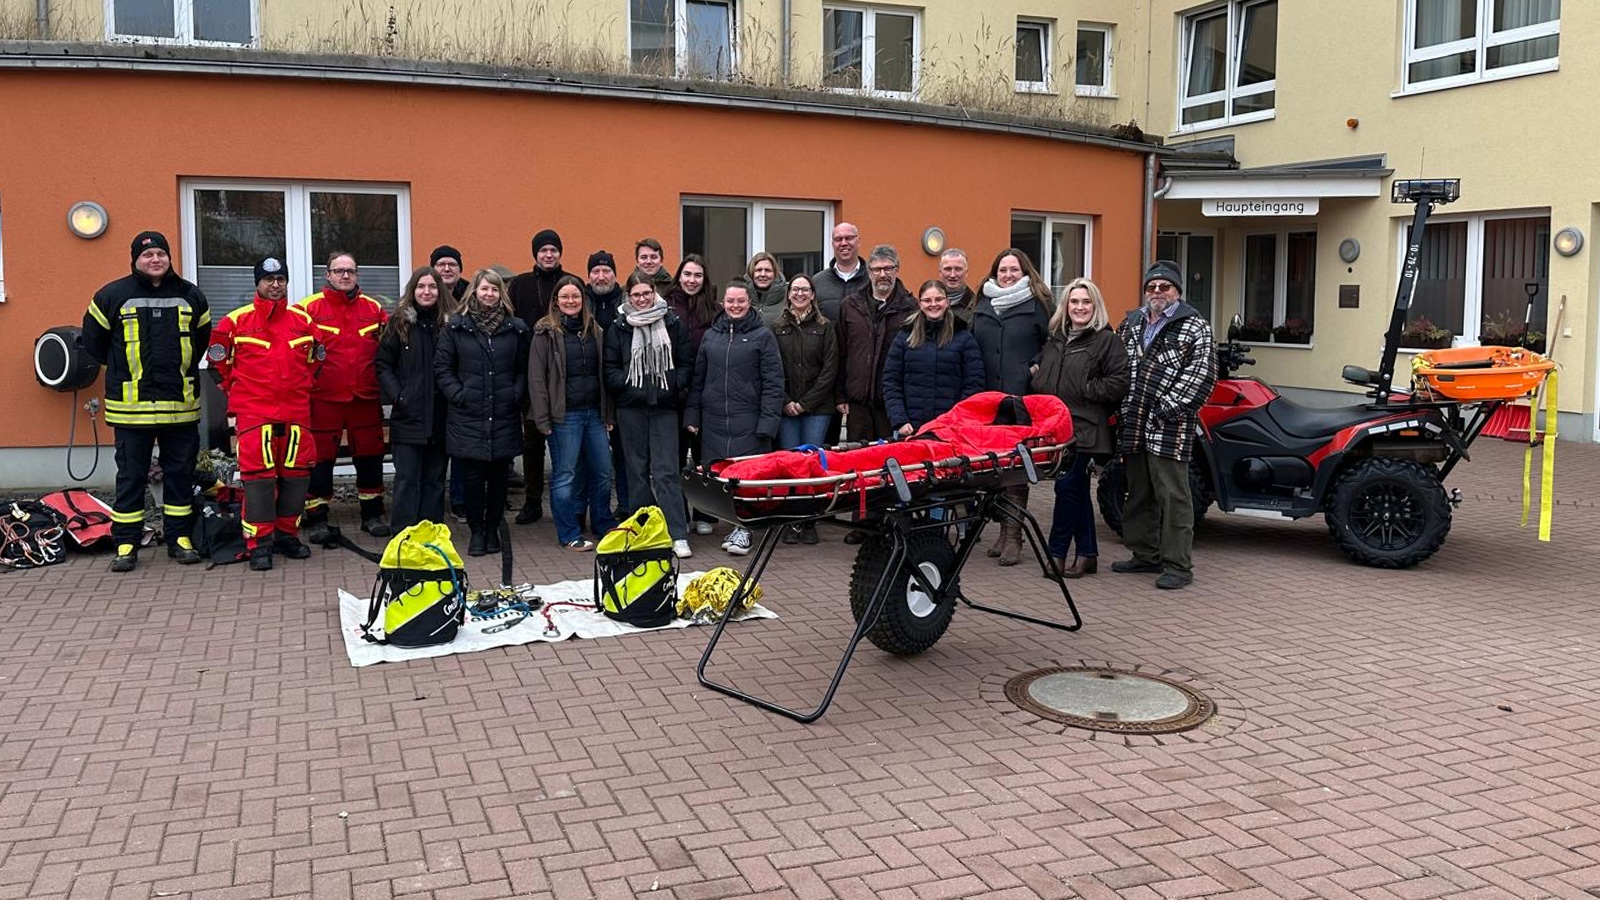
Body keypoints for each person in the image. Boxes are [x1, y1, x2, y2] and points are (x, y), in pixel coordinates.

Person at [82, 231, 210, 572]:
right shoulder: (112, 295)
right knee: (131, 477)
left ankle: (180, 538)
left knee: (179, 475)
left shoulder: (191, 295)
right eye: (147, 255)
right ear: (135, 260)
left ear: (169, 258)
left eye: (160, 254)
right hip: (130, 409)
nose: (155, 260)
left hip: (180, 407)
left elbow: (200, 342)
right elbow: (94, 344)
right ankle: (126, 542)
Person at [208, 257, 319, 570]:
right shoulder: (235, 322)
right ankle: (259, 544)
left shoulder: (303, 321)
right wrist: (240, 392)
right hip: (255, 414)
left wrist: (303, 386)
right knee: (259, 480)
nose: (275, 285)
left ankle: (287, 535)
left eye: (280, 279)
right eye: (269, 279)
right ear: (257, 283)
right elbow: (218, 366)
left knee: (297, 477)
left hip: (296, 412)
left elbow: (316, 360)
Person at [1112, 261, 1217, 590]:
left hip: (1168, 425)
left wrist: (1166, 409)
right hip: (1133, 421)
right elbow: (1116, 364)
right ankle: (1145, 554)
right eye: (1151, 286)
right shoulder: (1130, 323)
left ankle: (1178, 566)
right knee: (1138, 492)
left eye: (1164, 287)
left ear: (1178, 292)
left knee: (1174, 496)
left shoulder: (1195, 325)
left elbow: (1202, 376)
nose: (1157, 292)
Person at [1030, 278, 1128, 579]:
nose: (1080, 307)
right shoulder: (1057, 339)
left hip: (1085, 428)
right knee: (1077, 491)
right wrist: (1036, 377)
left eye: (1086, 302)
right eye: (1074, 302)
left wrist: (1086, 389)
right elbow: (1045, 373)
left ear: (1095, 306)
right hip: (1057, 428)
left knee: (1066, 487)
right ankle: (1087, 553)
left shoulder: (1105, 341)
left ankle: (1056, 552)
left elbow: (1120, 381)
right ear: (1066, 306)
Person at [685, 278, 786, 556]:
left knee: (746, 480)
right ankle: (734, 525)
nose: (735, 305)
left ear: (749, 302)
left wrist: (768, 422)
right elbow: (698, 379)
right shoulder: (711, 335)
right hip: (714, 420)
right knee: (720, 479)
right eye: (730, 301)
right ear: (723, 303)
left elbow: (774, 382)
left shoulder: (762, 335)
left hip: (749, 421)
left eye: (740, 301)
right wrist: (693, 415)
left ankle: (745, 530)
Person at [436, 269, 529, 557]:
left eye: (494, 290)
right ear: (474, 291)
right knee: (474, 478)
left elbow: (523, 370)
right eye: (484, 289)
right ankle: (477, 532)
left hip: (503, 412)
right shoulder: (457, 327)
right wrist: (458, 394)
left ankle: (493, 530)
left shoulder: (516, 328)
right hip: (469, 414)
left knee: (500, 479)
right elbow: (443, 368)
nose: (489, 294)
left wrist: (515, 394)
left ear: (501, 294)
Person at [298, 250, 390, 541]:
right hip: (324, 398)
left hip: (365, 397)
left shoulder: (374, 309)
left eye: (350, 270)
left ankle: (372, 515)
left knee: (371, 457)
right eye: (339, 271)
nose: (345, 275)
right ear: (328, 275)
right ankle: (317, 518)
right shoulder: (307, 309)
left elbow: (390, 349)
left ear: (357, 274)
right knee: (321, 460)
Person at [973, 247, 1054, 566]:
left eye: (1014, 270)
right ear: (995, 273)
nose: (1008, 275)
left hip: (1021, 398)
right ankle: (1002, 532)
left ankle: (1014, 536)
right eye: (1002, 270)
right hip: (988, 399)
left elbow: (1052, 343)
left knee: (1017, 466)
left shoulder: (1038, 304)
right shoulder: (983, 302)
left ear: (1025, 273)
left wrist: (1032, 368)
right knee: (995, 467)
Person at [605, 272, 694, 559]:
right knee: (637, 473)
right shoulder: (618, 327)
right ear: (628, 296)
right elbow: (609, 368)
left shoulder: (672, 322)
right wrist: (629, 384)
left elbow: (685, 363)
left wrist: (673, 386)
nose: (642, 299)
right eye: (636, 295)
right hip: (631, 408)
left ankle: (677, 533)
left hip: (664, 408)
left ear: (655, 292)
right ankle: (645, 533)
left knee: (667, 471)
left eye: (646, 293)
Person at [529, 275, 618, 551]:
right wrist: (542, 419)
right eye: (565, 297)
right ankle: (569, 533)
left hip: (594, 414)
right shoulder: (545, 333)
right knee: (565, 476)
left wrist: (608, 414)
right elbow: (536, 378)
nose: (571, 301)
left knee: (603, 472)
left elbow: (604, 374)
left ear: (584, 299)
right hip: (563, 416)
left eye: (576, 296)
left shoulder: (596, 331)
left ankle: (603, 524)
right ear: (556, 300)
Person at [377, 266, 450, 533]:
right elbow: (383, 364)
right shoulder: (399, 323)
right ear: (413, 291)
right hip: (408, 416)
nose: (427, 292)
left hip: (441, 416)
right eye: (421, 287)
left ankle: (431, 535)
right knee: (407, 479)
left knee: (434, 481)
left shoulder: (449, 324)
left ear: (439, 291)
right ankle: (403, 536)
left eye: (432, 287)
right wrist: (398, 395)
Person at [771, 273, 839, 545]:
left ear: (813, 294)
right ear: (788, 294)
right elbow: (773, 369)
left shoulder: (826, 327)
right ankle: (792, 521)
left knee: (811, 465)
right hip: (785, 407)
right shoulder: (776, 327)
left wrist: (806, 403)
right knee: (790, 465)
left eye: (805, 290)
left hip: (817, 408)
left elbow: (830, 370)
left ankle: (810, 521)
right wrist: (786, 401)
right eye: (795, 289)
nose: (800, 294)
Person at [507, 228, 566, 525]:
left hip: (563, 377)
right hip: (530, 374)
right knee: (532, 444)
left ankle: (565, 503)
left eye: (553, 250)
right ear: (535, 254)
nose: (548, 254)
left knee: (565, 445)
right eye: (543, 250)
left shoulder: (570, 283)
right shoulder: (520, 284)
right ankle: (532, 502)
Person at [835, 244, 916, 442]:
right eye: (877, 269)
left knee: (890, 464)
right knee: (858, 463)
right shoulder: (850, 305)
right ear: (869, 272)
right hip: (857, 403)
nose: (883, 274)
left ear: (897, 270)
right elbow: (840, 351)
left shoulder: (911, 308)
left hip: (892, 405)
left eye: (888, 268)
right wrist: (840, 395)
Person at [883, 280, 984, 437]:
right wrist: (899, 420)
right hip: (910, 428)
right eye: (927, 300)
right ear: (920, 303)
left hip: (950, 429)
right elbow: (891, 381)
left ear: (947, 302)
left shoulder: (964, 337)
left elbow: (973, 384)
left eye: (939, 299)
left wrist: (957, 420)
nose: (933, 304)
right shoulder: (905, 336)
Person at [665, 254, 720, 535]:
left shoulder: (714, 309)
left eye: (697, 275)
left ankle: (704, 514)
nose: (692, 280)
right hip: (674, 395)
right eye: (687, 274)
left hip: (704, 395)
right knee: (674, 458)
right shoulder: (665, 306)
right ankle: (679, 514)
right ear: (679, 276)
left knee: (703, 459)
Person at [585, 250, 630, 513]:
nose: (601, 276)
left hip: (621, 390)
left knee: (623, 457)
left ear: (615, 274)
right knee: (593, 460)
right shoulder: (581, 301)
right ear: (588, 275)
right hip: (590, 392)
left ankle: (625, 506)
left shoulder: (627, 303)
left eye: (606, 271)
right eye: (596, 271)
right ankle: (593, 510)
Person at [812, 221, 867, 322]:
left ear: (858, 241)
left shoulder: (872, 279)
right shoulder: (817, 282)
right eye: (838, 239)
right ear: (832, 244)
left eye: (849, 238)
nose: (844, 243)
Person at [747, 251, 788, 326]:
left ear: (775, 273)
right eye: (758, 270)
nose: (763, 274)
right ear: (751, 273)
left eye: (767, 270)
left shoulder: (788, 297)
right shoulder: (740, 297)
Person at [939, 249, 978, 325]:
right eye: (948, 269)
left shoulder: (977, 307)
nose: (952, 275)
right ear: (940, 272)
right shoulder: (929, 304)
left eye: (958, 269)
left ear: (966, 272)